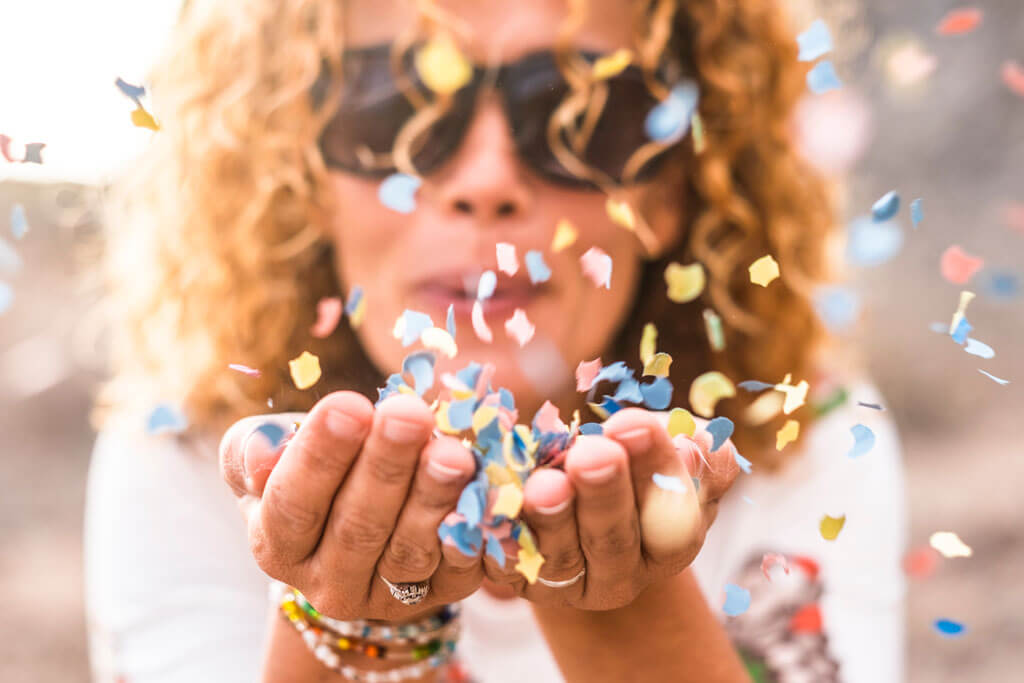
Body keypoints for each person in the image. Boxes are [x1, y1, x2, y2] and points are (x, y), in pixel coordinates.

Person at [83, 0, 907, 681]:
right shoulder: (183, 443)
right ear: (299, 173)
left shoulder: (802, 431)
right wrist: (355, 632)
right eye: (393, 108)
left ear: (669, 187)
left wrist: (626, 603)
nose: (486, 182)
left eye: (577, 116)